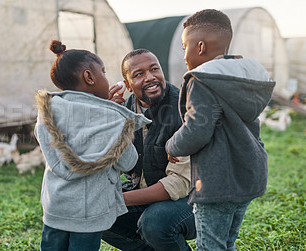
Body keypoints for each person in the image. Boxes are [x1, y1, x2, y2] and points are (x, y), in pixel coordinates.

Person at [165, 9, 276, 251]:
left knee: (210, 246)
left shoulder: (203, 80)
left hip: (217, 181)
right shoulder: (244, 78)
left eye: (185, 46)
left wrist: (171, 145)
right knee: (226, 243)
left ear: (201, 47)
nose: (184, 55)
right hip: (249, 174)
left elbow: (197, 128)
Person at [34, 40, 150, 251]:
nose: (106, 78)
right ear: (89, 77)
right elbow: (128, 162)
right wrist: (112, 114)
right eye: (103, 72)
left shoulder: (48, 111)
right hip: (91, 212)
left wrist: (102, 105)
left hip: (56, 206)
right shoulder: (111, 117)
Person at [103, 49, 196, 251]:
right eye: (139, 74)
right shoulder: (123, 111)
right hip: (144, 193)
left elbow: (179, 184)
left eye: (155, 69)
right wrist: (108, 119)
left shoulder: (185, 108)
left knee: (155, 222)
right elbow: (107, 163)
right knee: (96, 211)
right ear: (127, 85)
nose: (150, 77)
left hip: (191, 200)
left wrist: (119, 199)